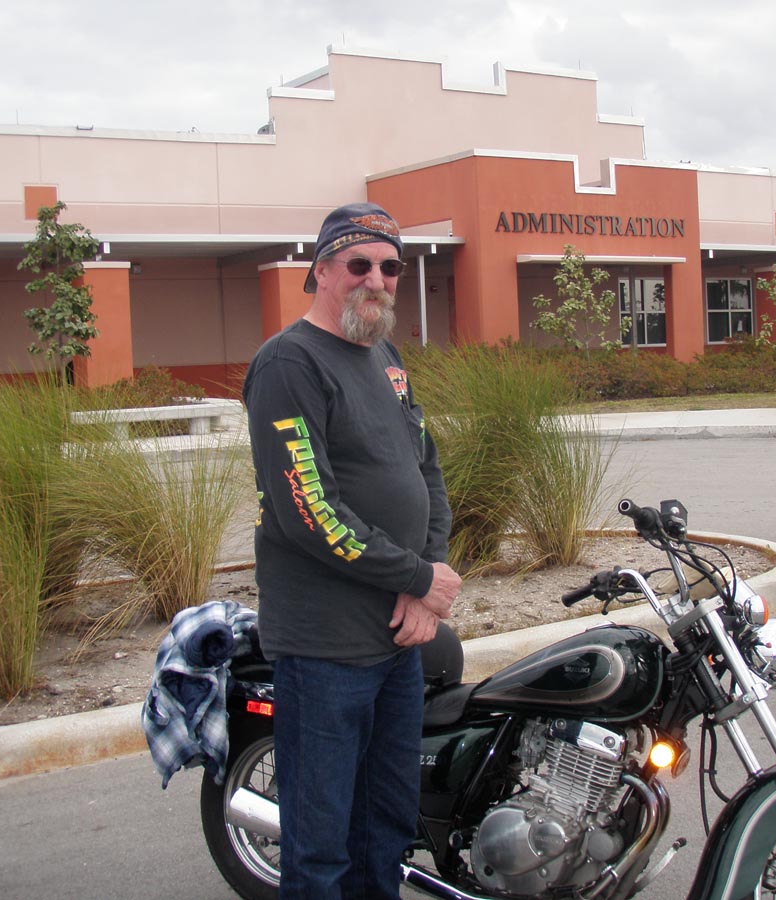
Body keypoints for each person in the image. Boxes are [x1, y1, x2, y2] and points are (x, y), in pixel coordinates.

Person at [242, 201, 461, 899]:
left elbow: (425, 469)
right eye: (359, 264)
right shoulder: (289, 364)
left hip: (397, 642)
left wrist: (427, 578)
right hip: (325, 651)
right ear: (321, 271)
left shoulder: (386, 358)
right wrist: (418, 577)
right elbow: (309, 513)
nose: (376, 279)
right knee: (321, 847)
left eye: (390, 268)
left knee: (385, 831)